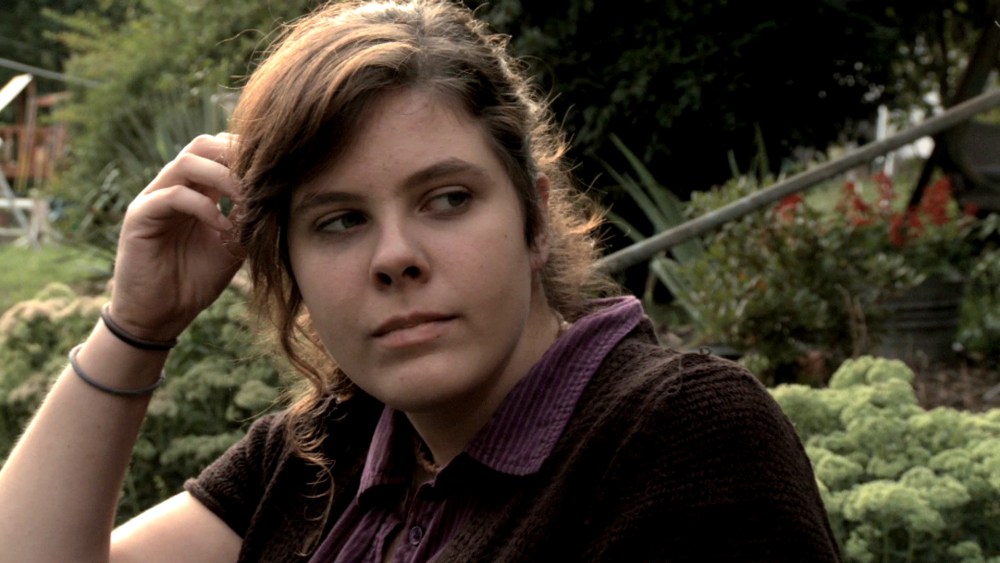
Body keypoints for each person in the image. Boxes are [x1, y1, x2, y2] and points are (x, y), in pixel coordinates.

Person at [0, 0, 841, 561]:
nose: (395, 255)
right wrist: (136, 326)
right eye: (339, 219)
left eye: (447, 199)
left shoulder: (673, 435)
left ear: (534, 217)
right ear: (288, 264)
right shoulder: (324, 452)